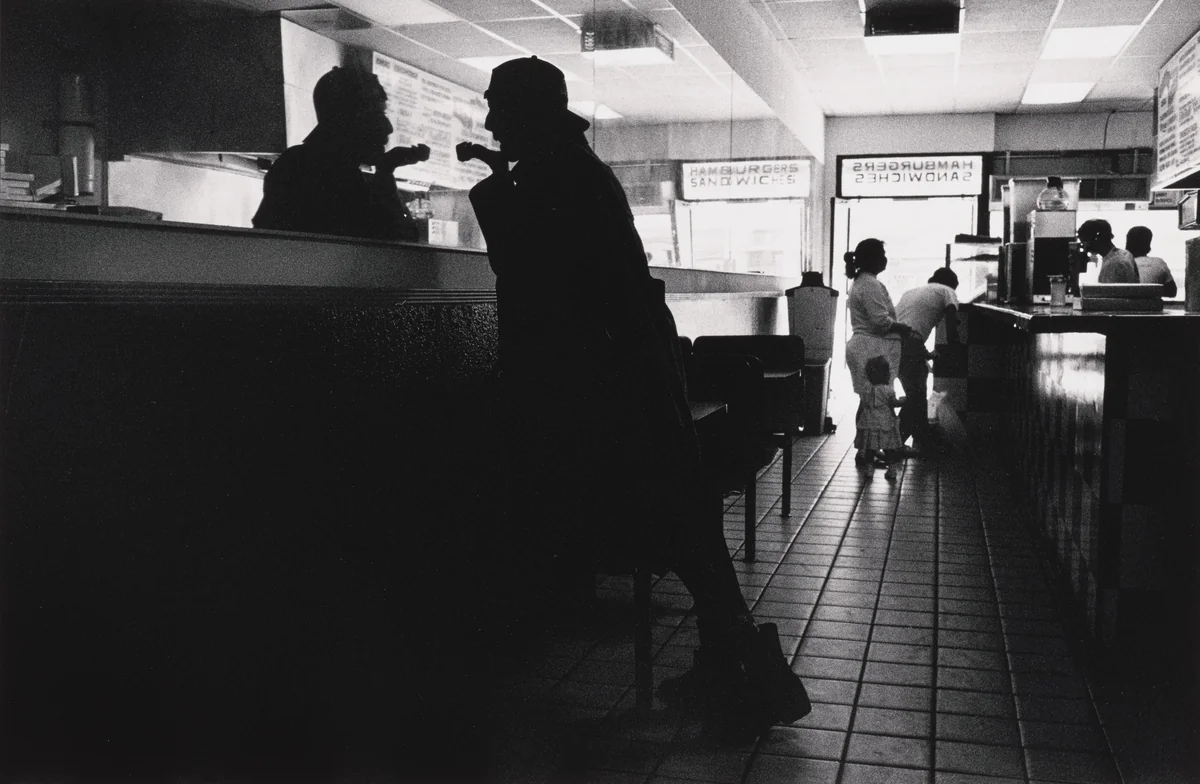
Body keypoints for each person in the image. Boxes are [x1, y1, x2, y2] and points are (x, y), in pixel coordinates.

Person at [462, 56, 809, 736]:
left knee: (658, 528)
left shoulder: (555, 180)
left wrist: (494, 188)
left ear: (529, 114)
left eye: (500, 107)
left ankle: (745, 680)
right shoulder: (578, 173)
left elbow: (528, 268)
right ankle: (739, 672)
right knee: (690, 535)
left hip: (602, 390)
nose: (490, 120)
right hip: (636, 376)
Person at [253, 65, 429, 241]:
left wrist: (386, 170)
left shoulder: (302, 164)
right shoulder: (323, 173)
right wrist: (386, 171)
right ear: (345, 119)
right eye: (376, 114)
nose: (388, 127)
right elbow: (400, 242)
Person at [843, 238, 914, 467]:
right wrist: (902, 328)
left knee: (869, 403)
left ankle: (866, 451)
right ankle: (866, 453)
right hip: (870, 349)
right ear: (872, 259)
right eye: (882, 254)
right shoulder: (869, 284)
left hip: (868, 348)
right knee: (874, 403)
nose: (885, 258)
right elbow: (880, 322)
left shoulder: (862, 281)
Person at [895, 267, 959, 452]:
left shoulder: (912, 291)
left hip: (892, 342)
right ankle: (895, 444)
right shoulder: (948, 291)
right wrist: (954, 350)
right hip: (910, 342)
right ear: (952, 285)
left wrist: (924, 354)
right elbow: (951, 322)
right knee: (916, 396)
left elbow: (909, 323)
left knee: (916, 394)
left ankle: (922, 439)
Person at [856, 355, 904, 482]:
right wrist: (902, 401)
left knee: (870, 449)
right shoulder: (888, 391)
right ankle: (892, 470)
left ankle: (869, 470)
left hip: (869, 423)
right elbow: (893, 404)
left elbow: (862, 405)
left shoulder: (865, 388)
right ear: (885, 374)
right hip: (885, 424)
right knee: (888, 448)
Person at [1077, 219, 1139, 283]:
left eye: (1085, 241)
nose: (1084, 246)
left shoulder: (1115, 263)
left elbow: (1110, 292)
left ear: (1097, 238)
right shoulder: (1125, 254)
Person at [1127, 225, 1177, 297]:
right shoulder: (1159, 263)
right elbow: (1172, 292)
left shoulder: (1120, 263)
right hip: (1153, 307)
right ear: (1148, 243)